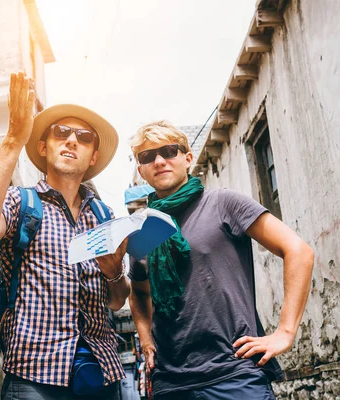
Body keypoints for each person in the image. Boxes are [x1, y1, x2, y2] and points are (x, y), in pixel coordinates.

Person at [0, 72, 130, 399]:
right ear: (43, 146)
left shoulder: (104, 217)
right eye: (61, 132)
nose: (72, 140)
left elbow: (117, 300)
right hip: (34, 376)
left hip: (101, 375)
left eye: (83, 137)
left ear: (93, 156)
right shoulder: (20, 202)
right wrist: (14, 138)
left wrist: (113, 273)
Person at [128, 121, 314, 399]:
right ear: (141, 169)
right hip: (171, 382)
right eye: (147, 156)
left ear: (187, 158)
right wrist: (145, 338)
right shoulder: (142, 230)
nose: (159, 161)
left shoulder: (223, 203)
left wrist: (285, 332)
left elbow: (298, 251)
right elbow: (139, 293)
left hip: (233, 372)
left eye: (169, 151)